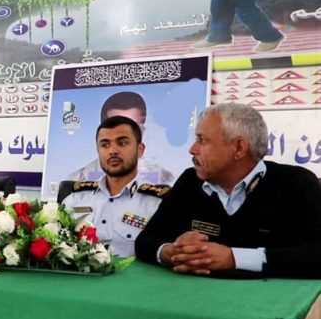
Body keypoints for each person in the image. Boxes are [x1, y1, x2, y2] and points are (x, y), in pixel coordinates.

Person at [135, 103, 321, 278]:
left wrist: (234, 258)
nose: (192, 149)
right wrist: (171, 252)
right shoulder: (190, 181)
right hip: (195, 297)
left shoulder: (297, 184)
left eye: (202, 140)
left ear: (239, 148)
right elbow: (145, 241)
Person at [62, 116, 170, 258]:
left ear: (140, 150)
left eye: (122, 143)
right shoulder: (75, 198)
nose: (113, 150)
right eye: (105, 145)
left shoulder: (158, 204)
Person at [68, 91, 175, 185]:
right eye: (115, 124)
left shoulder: (165, 179)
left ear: (142, 131)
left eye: (132, 127)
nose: (114, 150)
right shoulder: (76, 180)